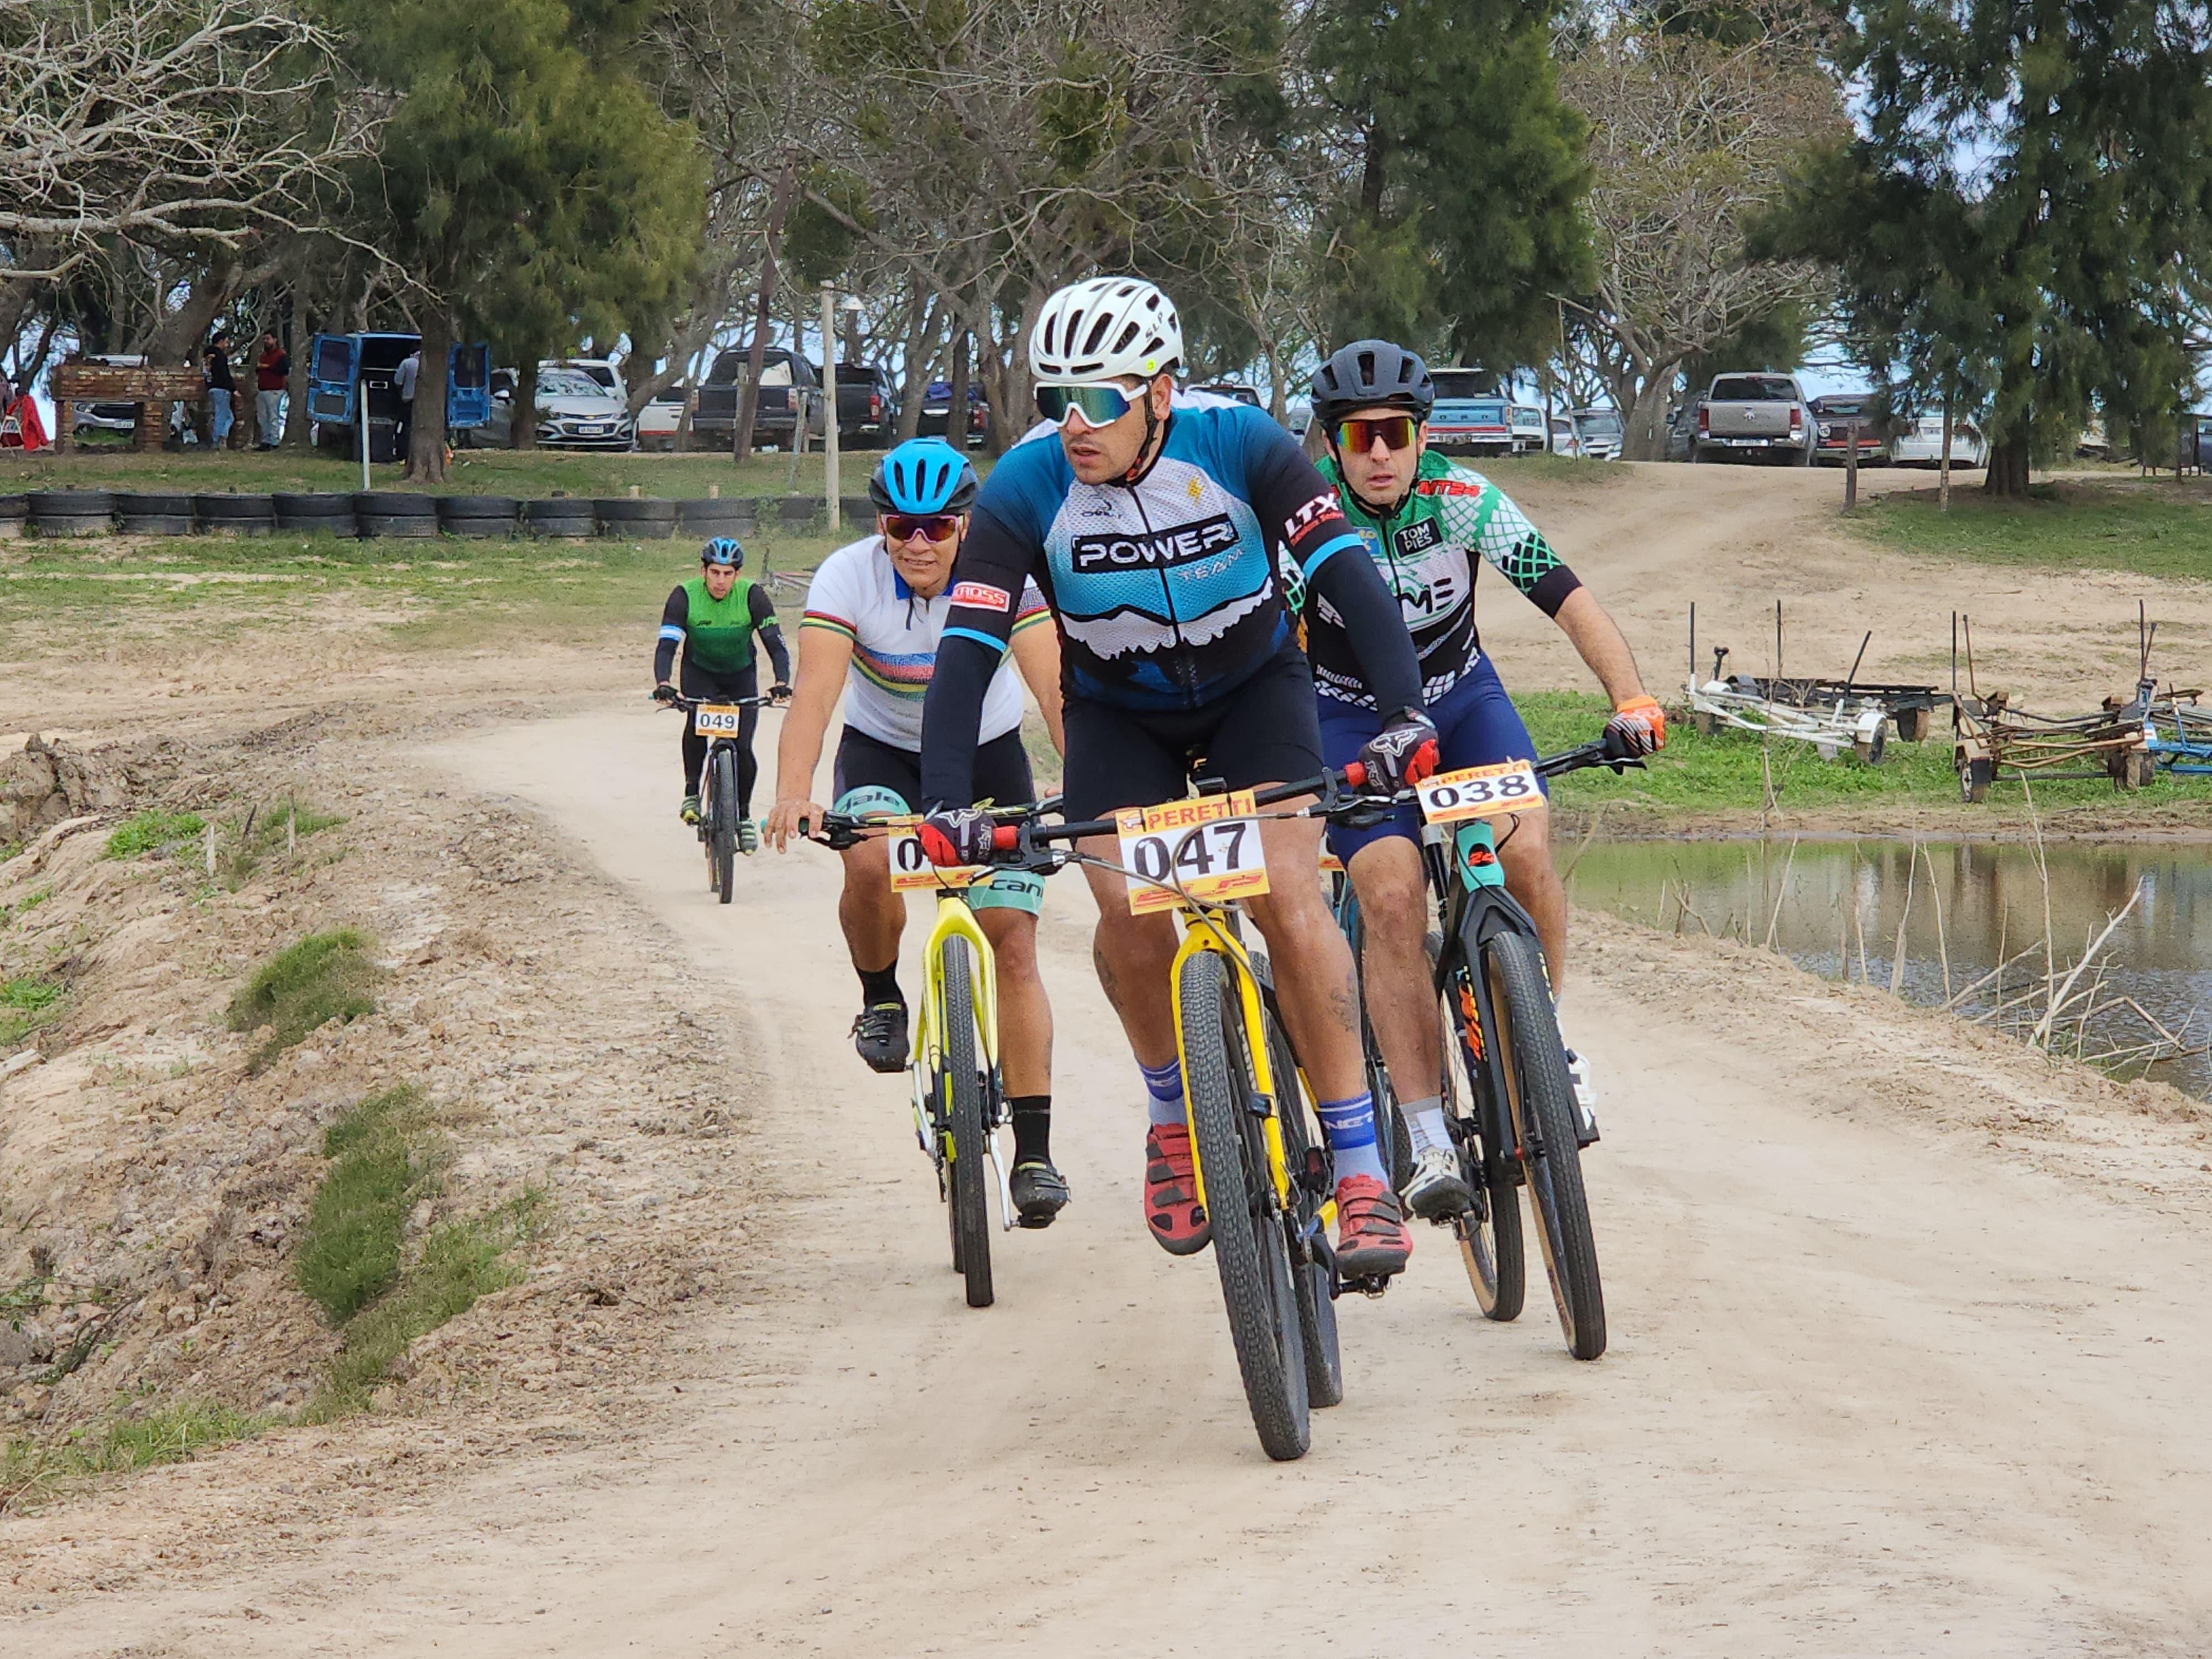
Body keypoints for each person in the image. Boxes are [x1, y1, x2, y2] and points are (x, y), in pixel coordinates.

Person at [916, 276, 1439, 1280]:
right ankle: (1171, 1114)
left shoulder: (1242, 444)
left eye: (1101, 399)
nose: (1076, 424)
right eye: (1053, 399)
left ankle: (1364, 1171)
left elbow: (1345, 577)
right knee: (1127, 909)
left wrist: (1402, 711)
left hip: (1254, 694)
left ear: (1160, 391)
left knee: (1290, 900)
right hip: (1119, 716)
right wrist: (945, 798)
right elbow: (971, 642)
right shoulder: (1027, 485)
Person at [1303, 340, 1664, 1219]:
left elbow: (1567, 596)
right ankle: (1427, 1140)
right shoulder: (1305, 521)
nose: (1379, 453)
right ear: (1335, 446)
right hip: (1349, 717)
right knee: (1389, 897)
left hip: (1462, 700)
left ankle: (1547, 1044)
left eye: (1394, 433)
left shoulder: (1465, 499)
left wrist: (1633, 696)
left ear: (1421, 436)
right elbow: (1268, 657)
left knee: (1525, 846)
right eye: (1359, 437)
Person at [763, 439, 1073, 1222]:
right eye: (903, 528)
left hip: (987, 754)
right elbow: (814, 696)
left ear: (965, 525)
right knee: (867, 861)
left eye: (938, 527)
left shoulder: (1010, 572)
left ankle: (1033, 1153)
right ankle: (882, 999)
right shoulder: (847, 577)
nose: (920, 545)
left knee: (1012, 940)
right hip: (885, 753)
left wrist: (1091, 784)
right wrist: (792, 792)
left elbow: (1057, 691)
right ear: (881, 525)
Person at [652, 538, 792, 852]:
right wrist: (663, 682)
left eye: (728, 574)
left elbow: (775, 643)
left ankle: (742, 816)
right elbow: (667, 645)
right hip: (699, 671)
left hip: (741, 675)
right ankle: (692, 792)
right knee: (697, 725)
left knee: (743, 747)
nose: (721, 581)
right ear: (703, 571)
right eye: (715, 573)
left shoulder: (752, 596)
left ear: (737, 575)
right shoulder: (684, 596)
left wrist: (782, 681)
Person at [254, 332, 289, 449]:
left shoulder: (281, 355)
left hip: (275, 390)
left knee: (273, 416)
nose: (266, 341)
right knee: (262, 417)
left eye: (268, 339)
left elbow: (283, 370)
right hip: (263, 389)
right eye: (264, 339)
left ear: (275, 340)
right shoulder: (263, 356)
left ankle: (275, 442)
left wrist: (267, 367)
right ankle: (265, 441)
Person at [203, 334, 236, 449]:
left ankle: (219, 437)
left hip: (211, 388)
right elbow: (224, 374)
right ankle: (219, 438)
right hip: (222, 388)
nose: (227, 345)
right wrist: (233, 388)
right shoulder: (220, 356)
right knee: (225, 416)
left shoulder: (207, 357)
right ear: (221, 341)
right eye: (226, 342)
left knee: (220, 414)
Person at [394, 346, 420, 462]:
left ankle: (403, 454)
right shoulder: (431, 362)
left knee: (403, 426)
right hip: (424, 404)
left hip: (408, 400)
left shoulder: (407, 363)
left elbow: (398, 381)